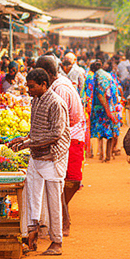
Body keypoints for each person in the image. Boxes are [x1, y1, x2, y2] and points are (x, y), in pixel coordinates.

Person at [8, 67, 68, 255]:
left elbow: (55, 134)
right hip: (36, 155)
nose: (29, 90)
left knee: (53, 201)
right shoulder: (36, 101)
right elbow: (36, 131)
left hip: (52, 156)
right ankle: (32, 235)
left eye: (32, 86)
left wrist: (28, 143)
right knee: (32, 196)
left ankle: (56, 242)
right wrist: (24, 140)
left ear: (43, 84)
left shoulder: (56, 103)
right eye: (28, 86)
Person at [36, 55, 86, 236]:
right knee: (62, 182)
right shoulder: (59, 84)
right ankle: (62, 217)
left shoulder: (60, 90)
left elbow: (59, 124)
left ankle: (63, 220)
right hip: (68, 137)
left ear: (48, 74)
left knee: (68, 181)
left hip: (70, 137)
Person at [86, 60, 122, 163]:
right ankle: (108, 155)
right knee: (109, 132)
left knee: (100, 133)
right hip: (110, 106)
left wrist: (106, 109)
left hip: (100, 108)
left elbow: (100, 95)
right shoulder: (108, 76)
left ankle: (101, 155)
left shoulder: (95, 77)